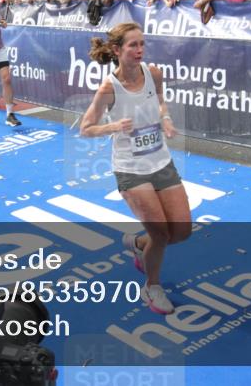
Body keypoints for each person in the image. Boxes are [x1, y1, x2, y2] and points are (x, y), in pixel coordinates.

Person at [79, 23, 190, 315]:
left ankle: (140, 244)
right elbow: (86, 128)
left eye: (142, 44)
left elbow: (161, 101)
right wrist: (115, 126)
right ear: (117, 50)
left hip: (161, 161)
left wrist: (164, 118)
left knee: (181, 231)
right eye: (133, 45)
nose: (140, 50)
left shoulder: (153, 73)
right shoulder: (109, 87)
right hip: (131, 169)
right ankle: (152, 286)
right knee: (162, 235)